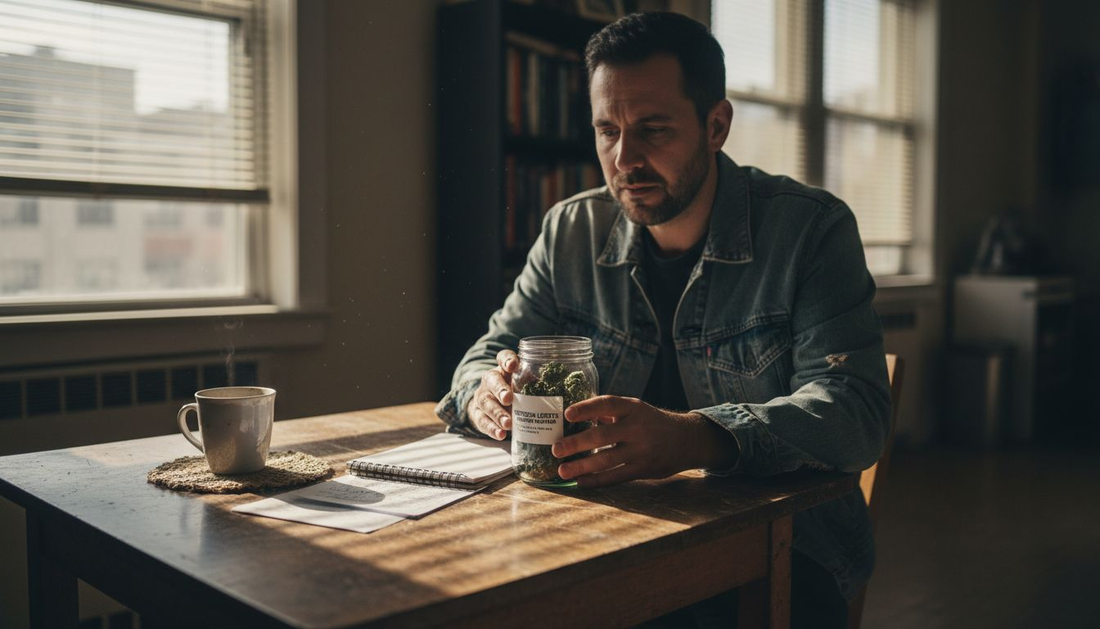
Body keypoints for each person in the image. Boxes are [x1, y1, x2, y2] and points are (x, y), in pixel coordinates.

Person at [435, 11, 891, 628]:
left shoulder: (811, 230)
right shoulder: (571, 230)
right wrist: (487, 396)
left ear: (716, 126)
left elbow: (856, 413)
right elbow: (484, 357)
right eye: (606, 130)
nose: (625, 159)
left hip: (784, 550)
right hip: (599, 537)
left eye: (652, 130)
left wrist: (693, 437)